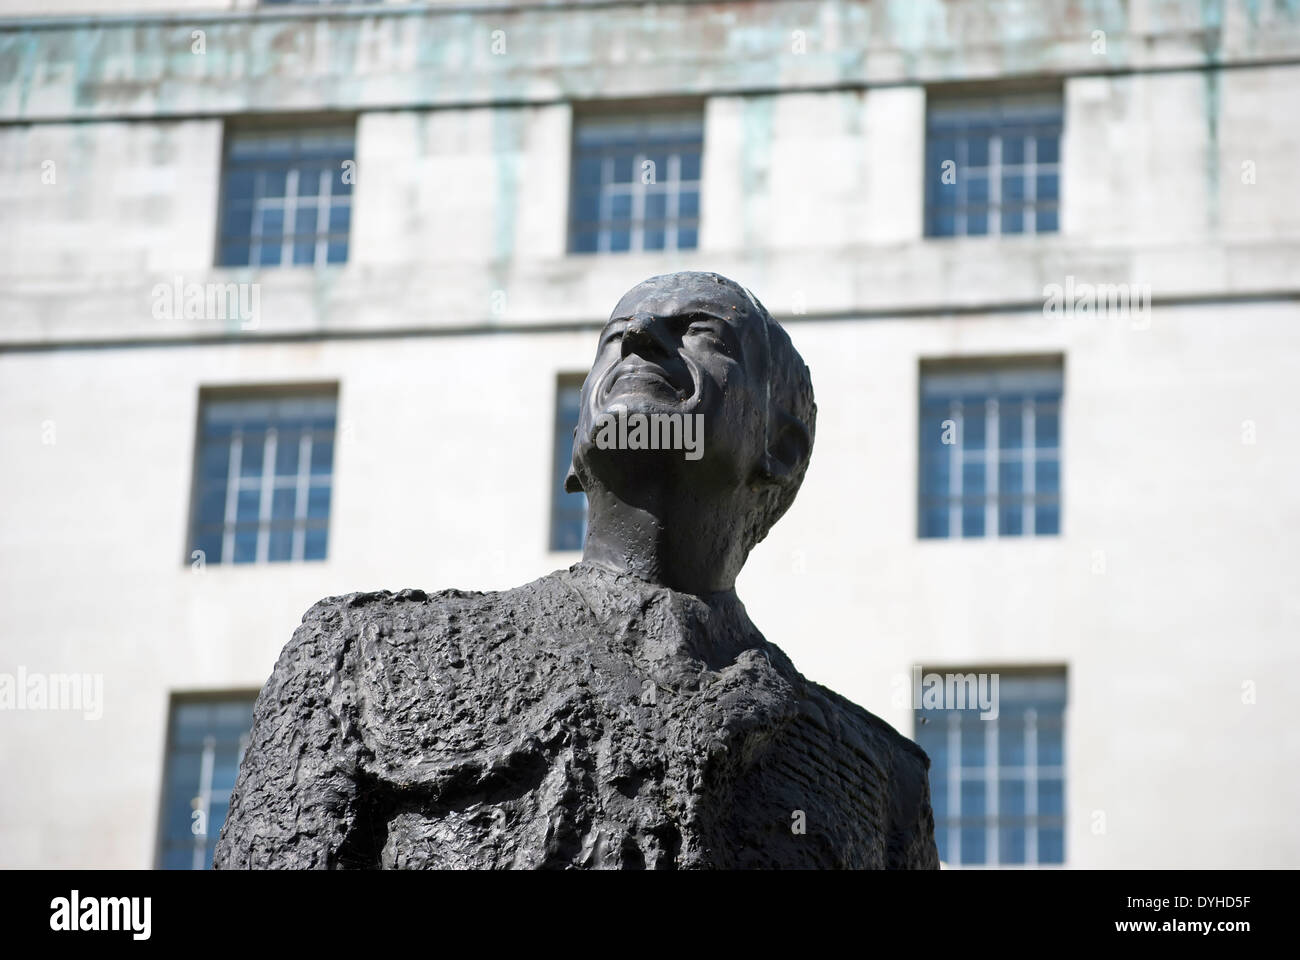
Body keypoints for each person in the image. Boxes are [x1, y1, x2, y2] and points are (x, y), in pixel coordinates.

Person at [214, 272, 938, 869]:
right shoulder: (365, 660)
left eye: (701, 333)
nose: (636, 337)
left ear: (781, 448)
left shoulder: (877, 782)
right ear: (575, 451)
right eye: (612, 337)